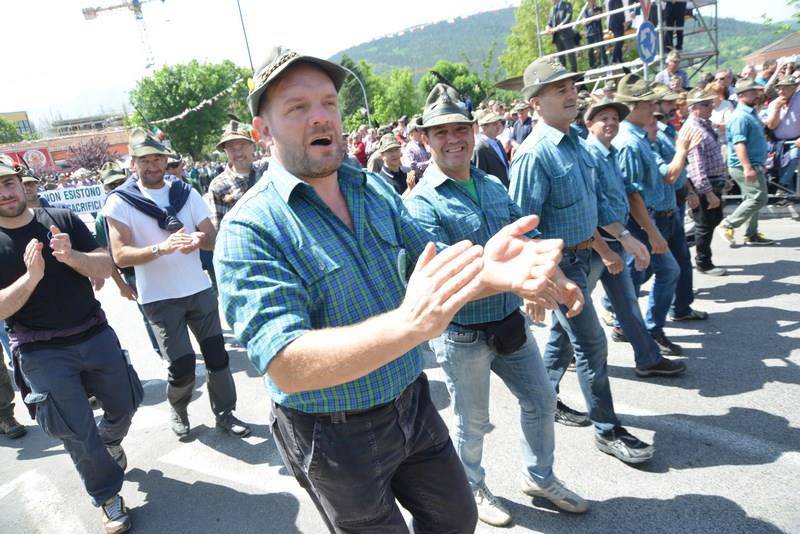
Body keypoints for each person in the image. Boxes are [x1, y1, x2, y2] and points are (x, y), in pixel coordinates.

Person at [215, 46, 566, 533]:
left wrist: (490, 269)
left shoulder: (372, 188)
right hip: (332, 434)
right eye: (297, 107)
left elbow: (433, 265)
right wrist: (409, 324)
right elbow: (286, 364)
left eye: (329, 103)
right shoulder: (249, 229)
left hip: (412, 401)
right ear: (262, 132)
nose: (321, 117)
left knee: (457, 519)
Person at [405, 84, 587, 527]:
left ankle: (539, 477)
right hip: (464, 335)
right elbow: (451, 281)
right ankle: (472, 487)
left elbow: (522, 243)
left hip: (509, 323)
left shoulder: (490, 183)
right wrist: (525, 286)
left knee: (542, 401)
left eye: (460, 129)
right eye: (441, 132)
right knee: (473, 424)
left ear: (473, 132)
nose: (453, 139)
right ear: (426, 141)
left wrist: (559, 282)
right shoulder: (419, 203)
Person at [510, 59, 656, 465]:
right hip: (562, 267)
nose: (572, 93)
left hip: (587, 255)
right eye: (560, 90)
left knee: (562, 338)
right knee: (591, 343)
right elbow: (521, 228)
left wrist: (621, 239)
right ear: (536, 103)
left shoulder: (575, 142)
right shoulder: (534, 155)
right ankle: (607, 430)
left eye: (572, 86)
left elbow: (589, 209)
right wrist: (541, 282)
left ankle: (547, 396)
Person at [0, 160, 141, 534]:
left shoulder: (59, 218)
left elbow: (105, 264)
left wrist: (72, 257)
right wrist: (32, 278)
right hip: (40, 352)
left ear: (20, 183)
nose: (5, 192)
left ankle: (111, 441)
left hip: (94, 334)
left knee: (125, 404)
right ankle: (108, 496)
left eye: (9, 182)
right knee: (78, 433)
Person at [104, 128, 252, 439]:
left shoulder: (186, 193)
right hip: (159, 298)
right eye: (144, 160)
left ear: (165, 160)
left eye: (157, 158)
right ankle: (179, 406)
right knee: (182, 366)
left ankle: (226, 413)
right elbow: (119, 255)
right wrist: (161, 248)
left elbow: (211, 238)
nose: (152, 165)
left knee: (218, 357)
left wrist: (199, 238)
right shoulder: (120, 201)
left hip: (198, 290)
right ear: (134, 163)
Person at [551, 98, 687, 380]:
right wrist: (609, 247)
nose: (611, 123)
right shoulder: (589, 155)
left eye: (615, 118)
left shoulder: (609, 153)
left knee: (626, 303)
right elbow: (592, 207)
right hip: (592, 247)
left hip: (611, 242)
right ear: (589, 124)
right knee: (572, 311)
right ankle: (550, 381)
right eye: (604, 119)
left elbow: (625, 196)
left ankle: (648, 359)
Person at [612, 74, 687, 356]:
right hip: (643, 220)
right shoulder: (630, 143)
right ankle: (648, 330)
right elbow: (633, 196)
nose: (652, 107)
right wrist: (653, 233)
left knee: (636, 274)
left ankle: (630, 324)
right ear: (632, 107)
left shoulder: (640, 137)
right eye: (646, 103)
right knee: (664, 271)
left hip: (650, 218)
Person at [718, 80, 774, 246]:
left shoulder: (750, 113)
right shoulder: (740, 117)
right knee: (758, 198)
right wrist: (747, 167)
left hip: (753, 163)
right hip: (743, 165)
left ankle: (751, 234)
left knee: (751, 198)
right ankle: (728, 224)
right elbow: (738, 143)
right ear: (741, 95)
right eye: (752, 92)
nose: (757, 95)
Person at [683, 87, 730, 276]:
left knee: (713, 220)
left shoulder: (704, 125)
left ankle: (686, 244)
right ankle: (703, 262)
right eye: (706, 104)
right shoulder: (694, 129)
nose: (711, 106)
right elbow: (696, 168)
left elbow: (713, 157)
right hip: (704, 185)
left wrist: (723, 178)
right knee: (704, 224)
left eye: (711, 103)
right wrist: (708, 193)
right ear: (694, 108)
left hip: (712, 181)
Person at [205, 120, 266, 230]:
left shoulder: (267, 169)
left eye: (242, 146)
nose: (238, 153)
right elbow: (218, 229)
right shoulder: (218, 186)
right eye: (231, 148)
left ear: (252, 146)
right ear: (225, 151)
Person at [764, 75, 800, 195]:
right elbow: (771, 126)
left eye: (785, 88)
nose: (781, 91)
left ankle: (782, 185)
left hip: (795, 141)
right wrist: (777, 109)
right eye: (779, 88)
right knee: (779, 164)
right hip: (777, 142)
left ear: (794, 88)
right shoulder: (774, 103)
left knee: (793, 157)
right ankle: (787, 195)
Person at [472, 110, 510, 188]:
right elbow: (480, 179)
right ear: (484, 127)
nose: (499, 125)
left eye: (499, 122)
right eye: (494, 124)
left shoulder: (498, 142)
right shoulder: (480, 148)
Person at [546, 0, 579, 72]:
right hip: (557, 36)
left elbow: (568, 17)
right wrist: (547, 27)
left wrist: (560, 26)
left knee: (571, 55)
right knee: (561, 57)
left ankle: (574, 72)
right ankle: (563, 73)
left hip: (566, 34)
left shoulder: (567, 5)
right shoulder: (552, 9)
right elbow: (550, 22)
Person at [579, 0, 608, 68]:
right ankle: (592, 65)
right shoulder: (585, 11)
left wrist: (589, 19)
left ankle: (605, 63)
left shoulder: (599, 8)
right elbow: (584, 23)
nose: (591, 2)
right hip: (589, 33)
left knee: (601, 48)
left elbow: (598, 18)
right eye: (590, 1)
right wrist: (593, 17)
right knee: (590, 50)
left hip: (598, 31)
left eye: (593, 1)